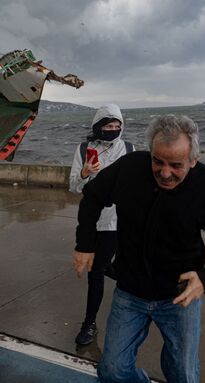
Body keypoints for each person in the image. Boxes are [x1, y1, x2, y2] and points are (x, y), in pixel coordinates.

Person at [73, 115, 205, 382]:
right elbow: (92, 197)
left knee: (183, 375)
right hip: (130, 291)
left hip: (179, 296)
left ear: (194, 159)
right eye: (158, 161)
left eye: (176, 165)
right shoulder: (130, 168)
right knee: (112, 370)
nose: (165, 173)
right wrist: (85, 244)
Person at [69, 103, 134, 346]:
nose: (113, 129)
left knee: (95, 273)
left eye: (117, 126)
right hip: (90, 221)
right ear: (98, 127)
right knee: (100, 267)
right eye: (108, 126)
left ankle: (89, 323)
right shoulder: (84, 148)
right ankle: (118, 272)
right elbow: (74, 186)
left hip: (115, 222)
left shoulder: (128, 148)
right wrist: (85, 173)